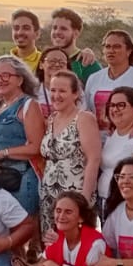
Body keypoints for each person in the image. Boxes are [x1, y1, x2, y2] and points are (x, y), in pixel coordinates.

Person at [0, 56, 45, 217]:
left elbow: (36, 147)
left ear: (20, 79)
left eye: (5, 75)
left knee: (23, 232)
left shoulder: (29, 105)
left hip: (21, 179)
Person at [38, 71, 101, 236]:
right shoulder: (51, 119)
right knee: (52, 249)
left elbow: (93, 159)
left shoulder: (84, 118)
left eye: (62, 91)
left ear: (75, 94)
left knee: (76, 247)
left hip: (76, 194)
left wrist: (84, 201)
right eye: (52, 90)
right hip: (49, 197)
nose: (56, 95)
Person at [97, 86, 133, 211]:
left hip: (124, 203)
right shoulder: (111, 135)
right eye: (112, 105)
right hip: (103, 200)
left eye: (121, 105)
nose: (115, 109)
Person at [81, 30, 133, 116]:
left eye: (116, 47)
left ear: (129, 51)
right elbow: (87, 112)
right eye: (107, 46)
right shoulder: (94, 78)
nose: (111, 51)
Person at [48, 8, 100, 84]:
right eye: (54, 28)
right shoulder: (45, 60)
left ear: (76, 33)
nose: (57, 32)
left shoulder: (87, 63)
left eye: (63, 29)